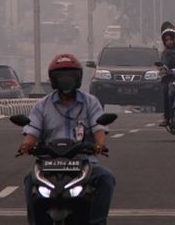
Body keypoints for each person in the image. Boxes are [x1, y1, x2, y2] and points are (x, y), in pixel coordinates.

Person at [18, 54, 116, 225]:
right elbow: (32, 131)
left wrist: (100, 144)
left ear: (78, 78)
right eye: (61, 77)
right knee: (29, 180)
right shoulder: (42, 105)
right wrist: (27, 145)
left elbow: (99, 128)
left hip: (84, 164)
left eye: (70, 76)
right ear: (53, 79)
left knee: (106, 178)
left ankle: (98, 222)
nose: (66, 80)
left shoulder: (90, 102)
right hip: (48, 166)